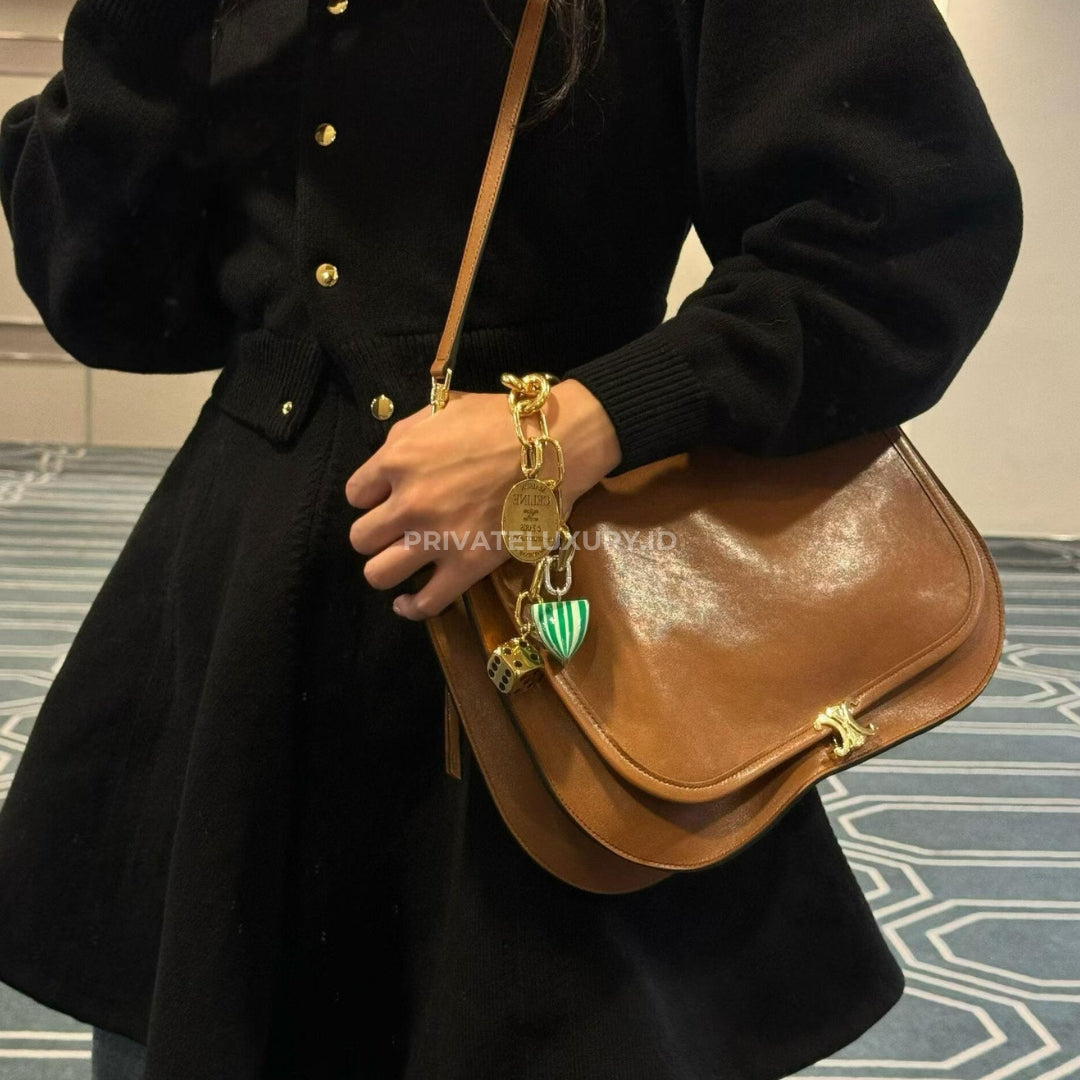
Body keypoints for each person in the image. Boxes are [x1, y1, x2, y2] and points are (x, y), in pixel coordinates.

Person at [0, 0, 1022, 1077]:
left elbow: (901, 230)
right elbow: (106, 297)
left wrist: (579, 423)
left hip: (554, 627)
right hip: (233, 641)